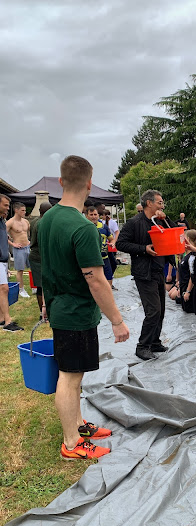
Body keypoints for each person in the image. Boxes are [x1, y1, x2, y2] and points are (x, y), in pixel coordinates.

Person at [39, 155, 129, 460]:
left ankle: (79, 425)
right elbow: (97, 280)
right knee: (70, 376)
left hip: (58, 306)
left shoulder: (48, 218)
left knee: (75, 373)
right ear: (89, 184)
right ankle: (71, 443)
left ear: (61, 181)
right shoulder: (84, 227)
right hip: (74, 313)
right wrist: (117, 320)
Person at [116, 189, 175, 360]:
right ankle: (142, 346)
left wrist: (166, 219)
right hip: (144, 273)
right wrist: (143, 249)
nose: (162, 206)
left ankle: (155, 342)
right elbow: (121, 243)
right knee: (153, 311)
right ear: (149, 203)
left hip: (158, 270)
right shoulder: (134, 223)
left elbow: (172, 232)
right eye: (160, 202)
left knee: (161, 310)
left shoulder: (159, 221)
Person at [0, 194, 24, 331]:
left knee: (1, 289)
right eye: (5, 205)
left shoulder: (2, 221)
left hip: (3, 261)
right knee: (4, 289)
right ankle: (8, 322)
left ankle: (2, 319)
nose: (7, 208)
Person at [29, 201, 52, 316]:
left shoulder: (33, 221)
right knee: (42, 285)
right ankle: (43, 312)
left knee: (40, 285)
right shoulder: (44, 223)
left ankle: (42, 310)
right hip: (40, 257)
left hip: (34, 255)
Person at [85, 207, 114, 287]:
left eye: (95, 214)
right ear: (86, 216)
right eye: (91, 215)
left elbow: (111, 239)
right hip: (91, 260)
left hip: (104, 258)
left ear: (98, 215)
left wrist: (112, 243)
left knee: (109, 279)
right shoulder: (83, 227)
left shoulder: (104, 227)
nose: (94, 216)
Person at [6, 202, 30, 298]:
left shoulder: (26, 221)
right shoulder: (10, 222)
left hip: (27, 247)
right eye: (22, 210)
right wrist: (12, 244)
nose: (24, 212)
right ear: (16, 210)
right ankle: (21, 289)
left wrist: (29, 242)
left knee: (34, 267)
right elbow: (2, 234)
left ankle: (34, 287)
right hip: (18, 249)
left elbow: (28, 233)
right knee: (20, 270)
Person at [104, 209, 120, 285]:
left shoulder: (112, 222)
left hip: (111, 246)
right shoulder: (101, 223)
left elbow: (117, 232)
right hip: (104, 247)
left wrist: (114, 241)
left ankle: (110, 278)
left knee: (113, 263)